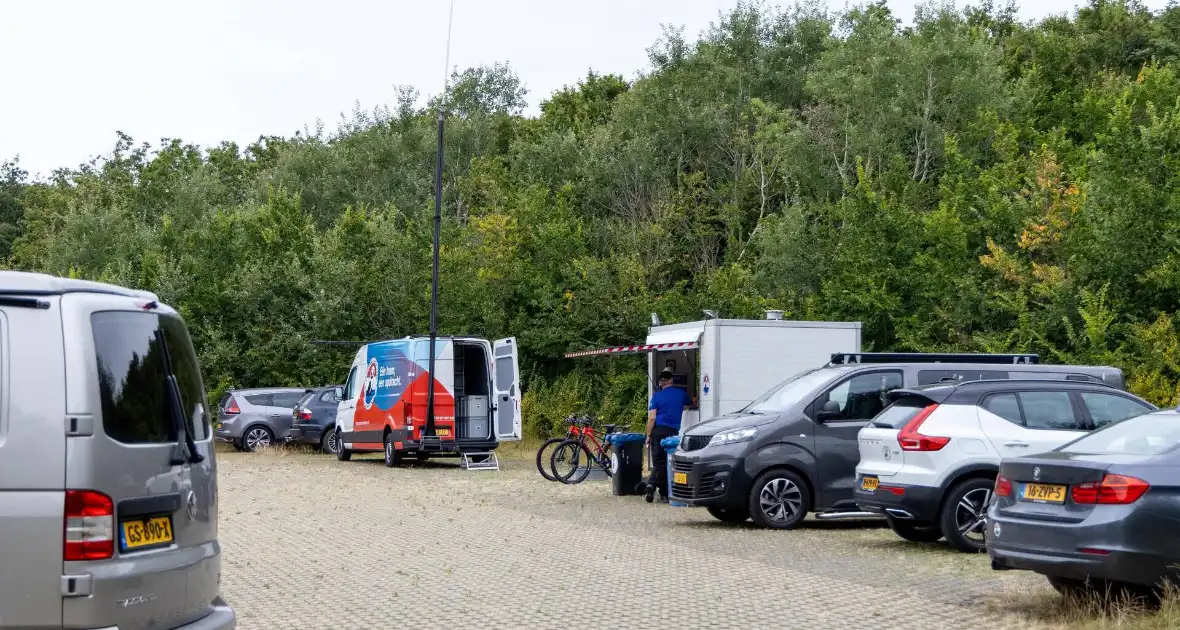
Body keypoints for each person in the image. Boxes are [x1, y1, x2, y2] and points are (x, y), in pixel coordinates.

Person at [645, 369, 692, 503]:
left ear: (660, 383)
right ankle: (663, 493)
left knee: (658, 462)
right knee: (668, 463)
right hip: (671, 432)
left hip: (658, 431)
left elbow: (652, 418)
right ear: (671, 380)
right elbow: (690, 403)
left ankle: (652, 486)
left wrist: (648, 434)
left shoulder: (656, 396)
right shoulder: (681, 394)